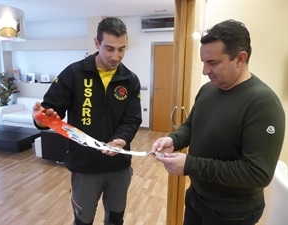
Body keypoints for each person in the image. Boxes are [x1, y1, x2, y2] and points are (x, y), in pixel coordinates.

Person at [151, 19, 285, 225]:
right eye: (204, 62)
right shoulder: (208, 90)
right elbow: (191, 126)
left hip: (231, 213)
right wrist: (174, 140)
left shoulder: (263, 104)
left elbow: (257, 173)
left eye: (212, 63)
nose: (205, 71)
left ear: (240, 59)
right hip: (197, 199)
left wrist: (191, 164)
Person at [32, 17, 142, 225]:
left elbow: (133, 119)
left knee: (116, 219)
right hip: (85, 166)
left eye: (121, 49)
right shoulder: (74, 73)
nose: (115, 56)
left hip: (118, 165)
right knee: (83, 221)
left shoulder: (130, 79)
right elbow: (49, 113)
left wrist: (121, 139)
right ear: (97, 43)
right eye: (109, 48)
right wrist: (40, 118)